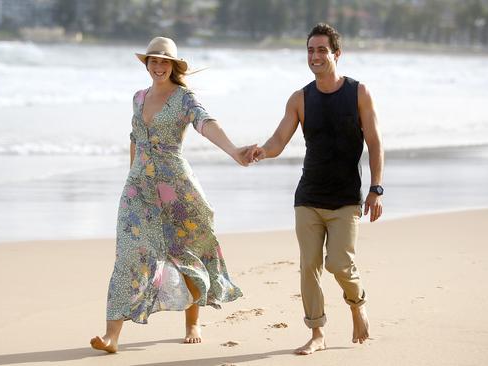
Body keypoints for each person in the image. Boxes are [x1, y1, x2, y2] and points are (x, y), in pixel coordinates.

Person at [91, 36, 248, 353]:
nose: (159, 66)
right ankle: (112, 336)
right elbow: (135, 136)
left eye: (164, 61)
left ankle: (193, 322)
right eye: (153, 60)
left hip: (176, 188)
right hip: (139, 189)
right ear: (146, 64)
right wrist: (132, 175)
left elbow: (206, 123)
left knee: (185, 252)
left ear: (174, 66)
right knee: (129, 254)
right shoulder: (138, 97)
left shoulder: (184, 98)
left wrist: (233, 150)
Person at [247, 23, 384, 355]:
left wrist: (376, 188)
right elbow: (279, 139)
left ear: (337, 54)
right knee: (309, 265)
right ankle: (317, 333)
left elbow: (375, 142)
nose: (315, 56)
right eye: (310, 50)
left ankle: (356, 303)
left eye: (322, 49)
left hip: (346, 199)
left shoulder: (359, 93)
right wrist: (262, 151)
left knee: (339, 263)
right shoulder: (300, 98)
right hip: (308, 197)